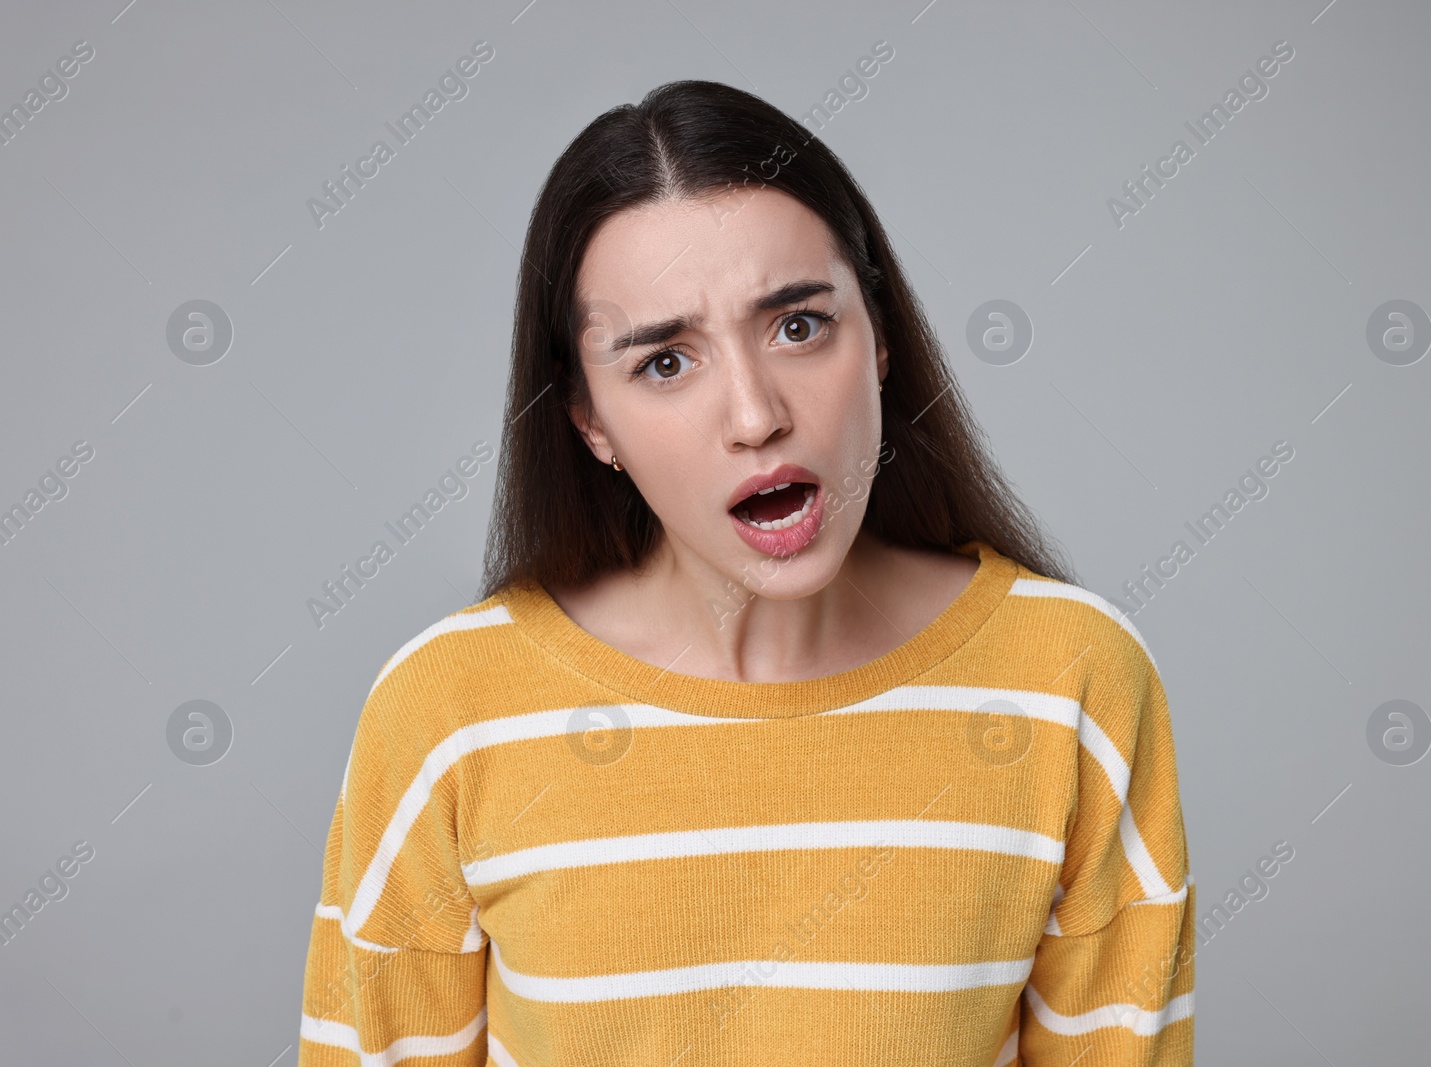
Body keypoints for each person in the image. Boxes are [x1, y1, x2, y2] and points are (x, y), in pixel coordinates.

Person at [296, 79, 1194, 1066]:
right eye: (665, 362)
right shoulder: (447, 711)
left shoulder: (1071, 683)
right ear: (590, 421)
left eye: (798, 324)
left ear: (882, 337)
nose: (755, 413)